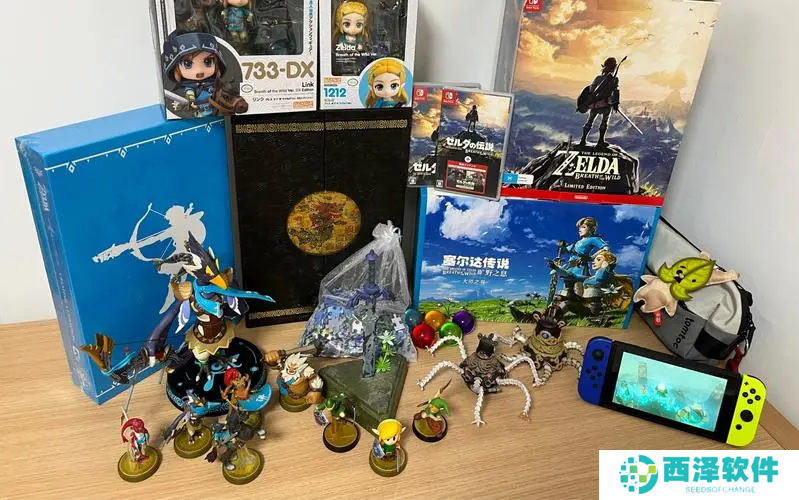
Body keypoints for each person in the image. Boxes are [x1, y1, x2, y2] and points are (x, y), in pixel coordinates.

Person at [579, 57, 620, 148]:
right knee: (602, 122)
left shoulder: (600, 78)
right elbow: (615, 92)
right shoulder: (614, 79)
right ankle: (599, 141)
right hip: (604, 104)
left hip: (597, 104)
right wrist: (614, 103)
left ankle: (584, 140)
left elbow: (591, 89)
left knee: (590, 121)